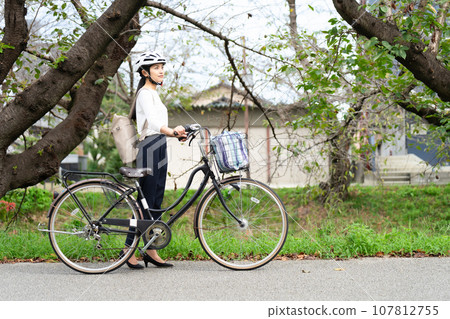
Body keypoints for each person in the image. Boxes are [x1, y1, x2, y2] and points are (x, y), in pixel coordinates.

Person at [123, 51, 186, 269]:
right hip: (149, 147)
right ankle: (128, 249)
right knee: (145, 204)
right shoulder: (144, 94)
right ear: (145, 72)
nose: (161, 71)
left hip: (159, 145)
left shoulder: (154, 94)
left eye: (162, 67)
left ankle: (150, 249)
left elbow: (160, 125)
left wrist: (175, 134)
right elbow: (150, 122)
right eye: (156, 67)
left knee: (156, 202)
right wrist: (172, 131)